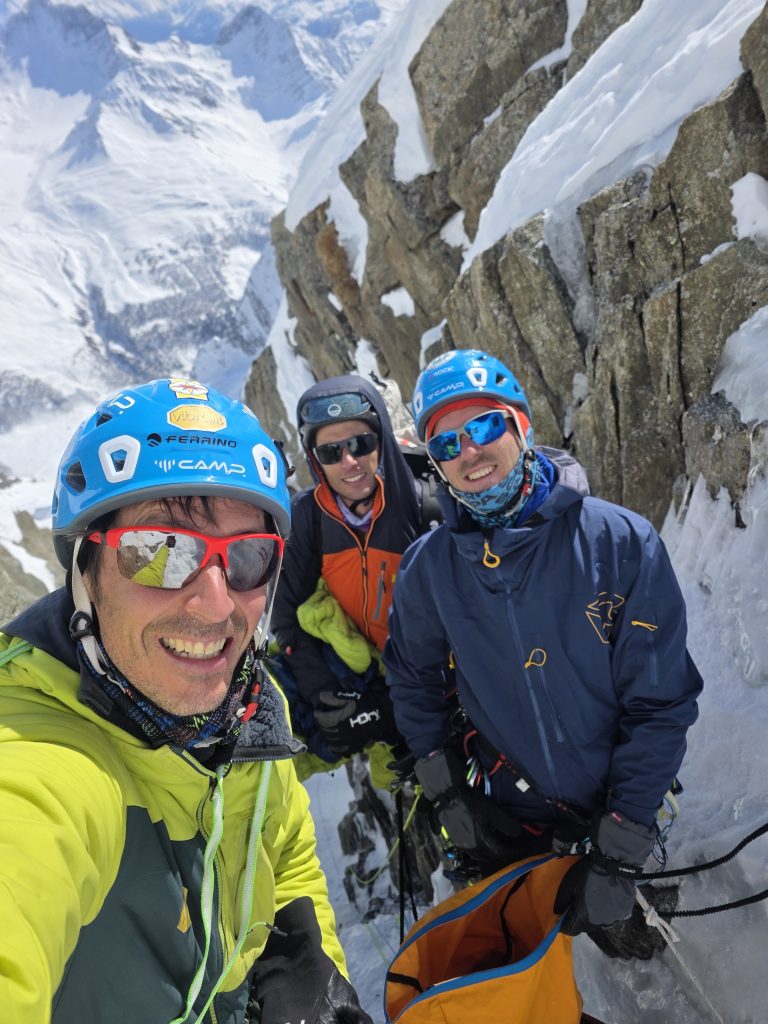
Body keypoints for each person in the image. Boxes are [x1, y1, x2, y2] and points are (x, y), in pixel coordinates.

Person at [0, 378, 372, 1024]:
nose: (217, 604)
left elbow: (283, 849)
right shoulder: (39, 759)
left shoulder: (249, 713)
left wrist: (302, 949)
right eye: (162, 553)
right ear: (85, 572)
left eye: (250, 557)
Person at [382, 348, 703, 938]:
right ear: (435, 464)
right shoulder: (428, 571)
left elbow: (661, 702)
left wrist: (622, 844)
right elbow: (413, 677)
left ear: (520, 424)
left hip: (626, 799)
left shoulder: (620, 543)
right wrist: (448, 791)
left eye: (483, 426)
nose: (469, 452)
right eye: (447, 444)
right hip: (511, 811)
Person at [272, 374, 436, 770]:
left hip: (424, 681)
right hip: (352, 668)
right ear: (315, 459)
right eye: (331, 452)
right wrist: (323, 692)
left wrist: (387, 704)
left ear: (381, 441)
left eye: (361, 444)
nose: (349, 462)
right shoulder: (310, 518)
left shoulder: (424, 509)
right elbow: (287, 620)